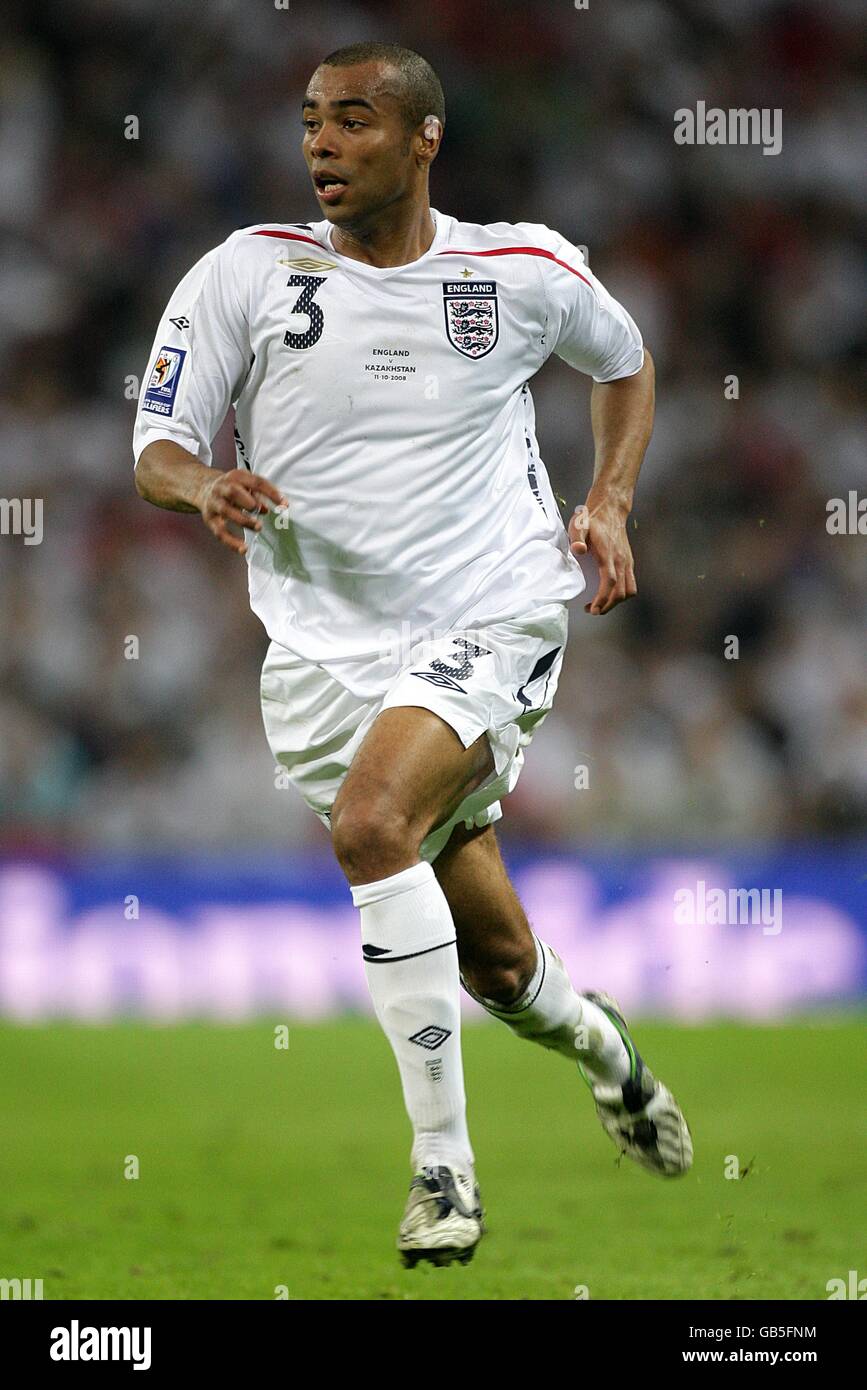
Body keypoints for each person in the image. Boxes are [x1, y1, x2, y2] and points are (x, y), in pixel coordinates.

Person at [133, 41, 692, 1269]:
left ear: (424, 138)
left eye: (353, 121)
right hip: (323, 652)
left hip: (490, 613)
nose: (321, 144)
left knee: (372, 824)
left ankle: (444, 1174)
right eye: (309, 123)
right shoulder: (244, 275)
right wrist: (203, 485)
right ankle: (611, 1052)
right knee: (496, 962)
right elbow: (158, 441)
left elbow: (628, 359)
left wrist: (610, 497)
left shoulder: (522, 269)